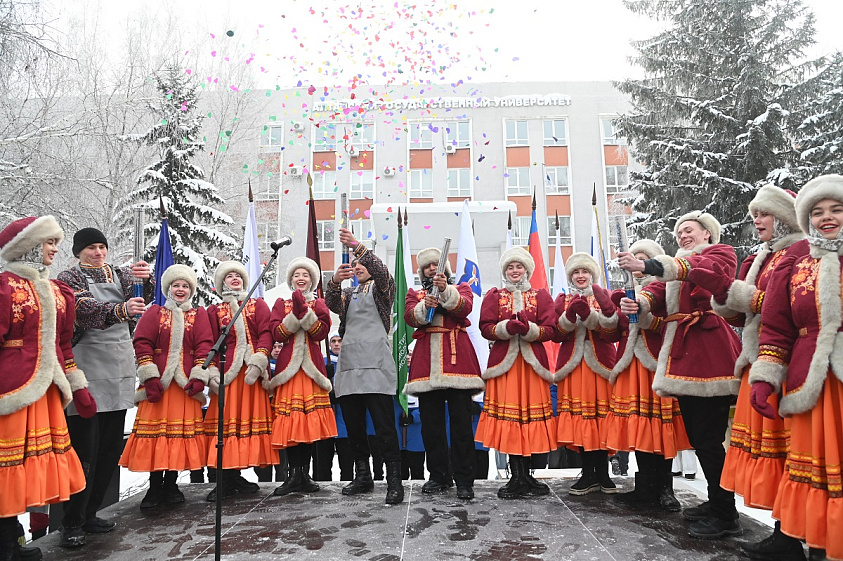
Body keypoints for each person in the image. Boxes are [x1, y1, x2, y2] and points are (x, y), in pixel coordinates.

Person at [683, 185, 805, 557]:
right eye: (755, 215)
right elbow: (742, 315)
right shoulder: (762, 257)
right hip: (758, 357)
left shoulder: (799, 252)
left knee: (788, 449)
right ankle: (782, 531)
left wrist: (730, 289)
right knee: (769, 448)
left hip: (787, 359)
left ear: (784, 216)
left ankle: (788, 534)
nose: (757, 221)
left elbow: (788, 305)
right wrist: (727, 297)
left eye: (764, 214)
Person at [618, 210, 742, 539]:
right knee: (701, 440)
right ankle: (718, 501)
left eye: (689, 230)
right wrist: (638, 303)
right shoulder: (677, 265)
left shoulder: (721, 252)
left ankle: (726, 513)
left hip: (710, 354)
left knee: (709, 441)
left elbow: (707, 272)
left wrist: (648, 264)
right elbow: (657, 291)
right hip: (684, 360)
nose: (683, 236)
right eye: (679, 234)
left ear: (707, 233)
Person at [749, 174, 843, 561]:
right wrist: (765, 378)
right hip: (809, 383)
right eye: (817, 212)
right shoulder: (796, 258)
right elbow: (776, 325)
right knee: (815, 470)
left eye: (836, 209)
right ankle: (821, 546)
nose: (827, 217)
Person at [0, 216, 96, 561]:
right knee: (7, 466)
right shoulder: (5, 287)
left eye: (56, 242)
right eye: (49, 242)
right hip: (11, 392)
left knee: (28, 468)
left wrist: (77, 384)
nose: (55, 249)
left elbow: (62, 344)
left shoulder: (58, 291)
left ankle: (12, 542)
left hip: (47, 391)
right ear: (29, 246)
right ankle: (5, 543)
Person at [57, 227, 154, 548]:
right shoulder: (68, 278)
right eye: (91, 248)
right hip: (85, 373)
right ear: (78, 252)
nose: (98, 252)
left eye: (102, 247)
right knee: (84, 451)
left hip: (118, 369)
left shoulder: (122, 274)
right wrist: (120, 310)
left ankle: (91, 513)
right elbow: (81, 310)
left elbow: (144, 298)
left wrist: (147, 279)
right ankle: (71, 520)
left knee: (110, 450)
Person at [604, 239, 690, 512]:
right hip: (630, 365)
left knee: (659, 426)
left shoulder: (667, 286)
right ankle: (644, 486)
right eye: (635, 258)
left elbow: (670, 325)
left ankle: (665, 488)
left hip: (656, 363)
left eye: (643, 259)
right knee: (639, 426)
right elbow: (616, 332)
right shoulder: (625, 290)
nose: (638, 265)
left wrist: (645, 318)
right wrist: (610, 312)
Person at [119, 264, 214, 509]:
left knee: (177, 436)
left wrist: (199, 375)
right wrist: (149, 376)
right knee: (157, 435)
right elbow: (142, 342)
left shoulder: (199, 315)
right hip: (158, 385)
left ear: (191, 290)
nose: (180, 289)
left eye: (185, 286)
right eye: (176, 285)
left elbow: (204, 346)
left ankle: (171, 484)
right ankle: (154, 486)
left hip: (184, 387)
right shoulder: (155, 312)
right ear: (168, 288)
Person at [325, 227, 404, 505]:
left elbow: (382, 273)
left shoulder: (383, 291)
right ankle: (363, 475)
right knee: (354, 425)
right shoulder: (348, 295)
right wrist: (334, 281)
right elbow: (331, 303)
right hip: (349, 365)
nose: (358, 267)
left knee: (384, 426)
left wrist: (356, 246)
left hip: (376, 364)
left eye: (362, 264)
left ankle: (394, 480)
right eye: (354, 265)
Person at [475, 247, 557, 500]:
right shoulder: (495, 296)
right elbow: (485, 327)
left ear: (527, 270)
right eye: (510, 267)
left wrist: (530, 329)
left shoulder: (541, 296)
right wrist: (507, 327)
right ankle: (516, 474)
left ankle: (527, 473)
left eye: (519, 266)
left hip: (532, 365)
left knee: (529, 418)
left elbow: (551, 329)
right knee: (511, 417)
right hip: (505, 365)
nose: (514, 271)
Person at [404, 246, 485, 500]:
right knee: (431, 426)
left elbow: (464, 308)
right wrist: (424, 306)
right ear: (422, 271)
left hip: (457, 361)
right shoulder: (414, 293)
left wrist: (444, 291)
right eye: (427, 266)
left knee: (461, 426)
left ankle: (464, 480)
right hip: (427, 364)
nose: (432, 269)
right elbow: (410, 317)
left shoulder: (461, 287)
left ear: (445, 270)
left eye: (435, 265)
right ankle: (438, 476)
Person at [204, 261, 274, 501]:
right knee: (225, 423)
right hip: (228, 374)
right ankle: (224, 478)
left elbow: (266, 333)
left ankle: (236, 476)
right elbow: (209, 342)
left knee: (247, 422)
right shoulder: (214, 311)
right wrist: (213, 372)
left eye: (238, 275)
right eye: (229, 276)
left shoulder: (257, 305)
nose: (234, 278)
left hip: (252, 374)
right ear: (221, 282)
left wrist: (260, 359)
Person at [268, 257, 337, 496]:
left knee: (307, 424)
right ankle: (292, 474)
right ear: (291, 279)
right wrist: (294, 313)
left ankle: (304, 474)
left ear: (312, 280)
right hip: (288, 369)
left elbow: (320, 333)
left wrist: (305, 312)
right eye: (297, 274)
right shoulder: (280, 303)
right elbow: (277, 333)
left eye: (305, 275)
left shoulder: (319, 304)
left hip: (311, 370)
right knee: (290, 422)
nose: (301, 278)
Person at [553, 253, 621, 495]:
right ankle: (588, 472)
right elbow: (556, 334)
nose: (580, 276)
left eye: (585, 272)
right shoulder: (562, 300)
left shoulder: (604, 297)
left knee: (601, 419)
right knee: (581, 419)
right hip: (574, 366)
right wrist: (570, 316)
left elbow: (612, 333)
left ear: (593, 274)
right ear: (570, 276)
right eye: (576, 272)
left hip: (601, 366)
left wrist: (592, 317)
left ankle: (603, 472)